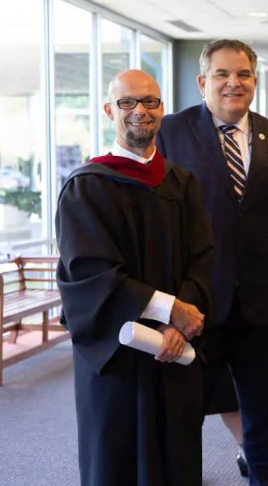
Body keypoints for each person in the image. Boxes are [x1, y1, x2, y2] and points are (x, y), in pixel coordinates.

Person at [157, 39, 268, 486]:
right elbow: (161, 227)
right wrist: (166, 307)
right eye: (223, 74)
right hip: (195, 309)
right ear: (203, 81)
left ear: (255, 82)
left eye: (243, 74)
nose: (233, 83)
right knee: (181, 418)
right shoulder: (170, 133)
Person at [56, 69, 213, 486]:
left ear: (162, 109)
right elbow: (90, 274)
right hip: (119, 352)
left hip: (173, 352)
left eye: (149, 102)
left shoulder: (182, 183)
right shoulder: (86, 188)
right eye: (127, 102)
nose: (139, 111)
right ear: (110, 110)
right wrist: (171, 310)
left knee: (176, 456)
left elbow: (202, 258)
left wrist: (179, 321)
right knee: (117, 461)